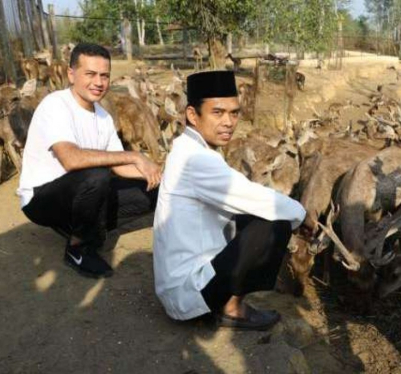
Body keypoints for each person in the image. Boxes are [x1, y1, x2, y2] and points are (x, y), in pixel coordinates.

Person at [153, 71, 306, 331]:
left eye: (234, 113)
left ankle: (227, 299)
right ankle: (231, 307)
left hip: (181, 283)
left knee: (261, 213)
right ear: (192, 115)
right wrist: (303, 215)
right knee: (276, 221)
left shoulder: (185, 147)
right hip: (189, 293)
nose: (228, 122)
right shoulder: (197, 159)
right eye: (218, 112)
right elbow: (258, 198)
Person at [17, 43, 162, 279]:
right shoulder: (55, 104)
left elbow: (118, 165)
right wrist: (135, 155)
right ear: (71, 74)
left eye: (104, 76)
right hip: (42, 199)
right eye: (90, 74)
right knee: (97, 175)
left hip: (81, 192)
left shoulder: (102, 116)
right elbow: (70, 159)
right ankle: (78, 248)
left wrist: (157, 175)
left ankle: (88, 227)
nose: (99, 82)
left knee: (154, 190)